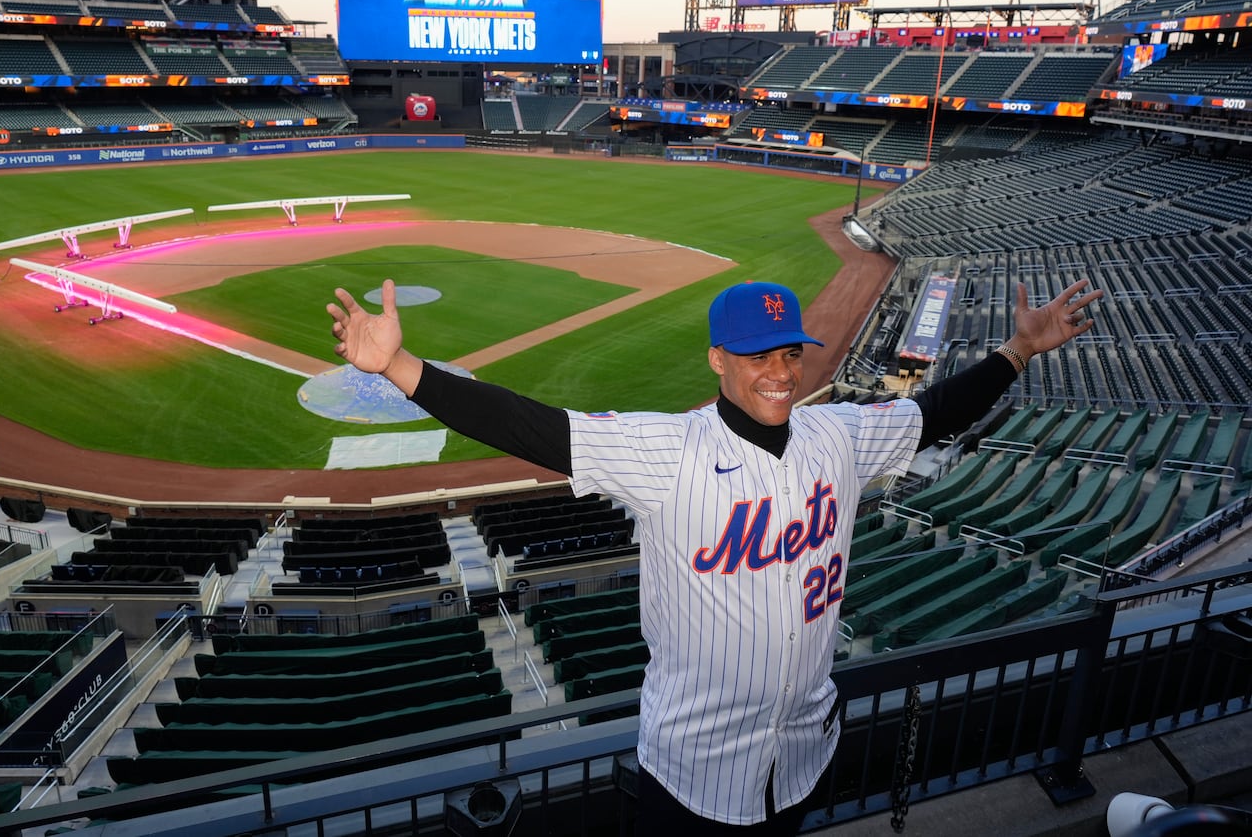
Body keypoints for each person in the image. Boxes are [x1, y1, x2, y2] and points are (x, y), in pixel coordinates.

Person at [328, 276, 1102, 834]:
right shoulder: (667, 452)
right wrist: (403, 370)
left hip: (800, 757)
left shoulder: (838, 437)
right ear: (718, 360)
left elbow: (932, 414)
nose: (780, 371)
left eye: (790, 352)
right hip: (692, 777)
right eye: (759, 354)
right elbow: (533, 427)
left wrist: (1017, 350)